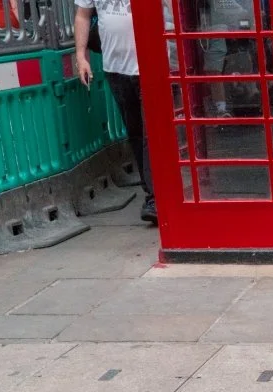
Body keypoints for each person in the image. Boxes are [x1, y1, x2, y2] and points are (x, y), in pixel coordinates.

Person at [75, 0, 158, 225]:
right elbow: (83, 15)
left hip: (149, 65)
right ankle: (152, 193)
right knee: (135, 132)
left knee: (151, 134)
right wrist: (81, 56)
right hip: (115, 68)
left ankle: (155, 198)